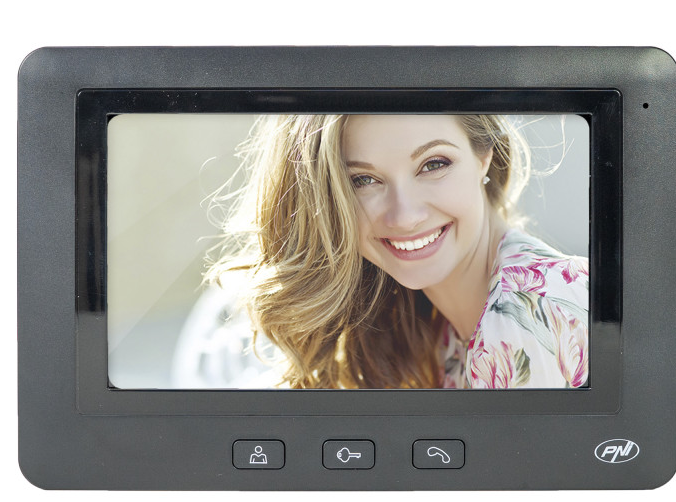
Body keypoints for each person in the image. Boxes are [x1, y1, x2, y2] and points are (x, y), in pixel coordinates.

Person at [204, 113, 588, 390]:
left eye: (433, 164)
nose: (404, 217)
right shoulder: (432, 328)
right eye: (363, 180)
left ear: (483, 155)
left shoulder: (530, 315)